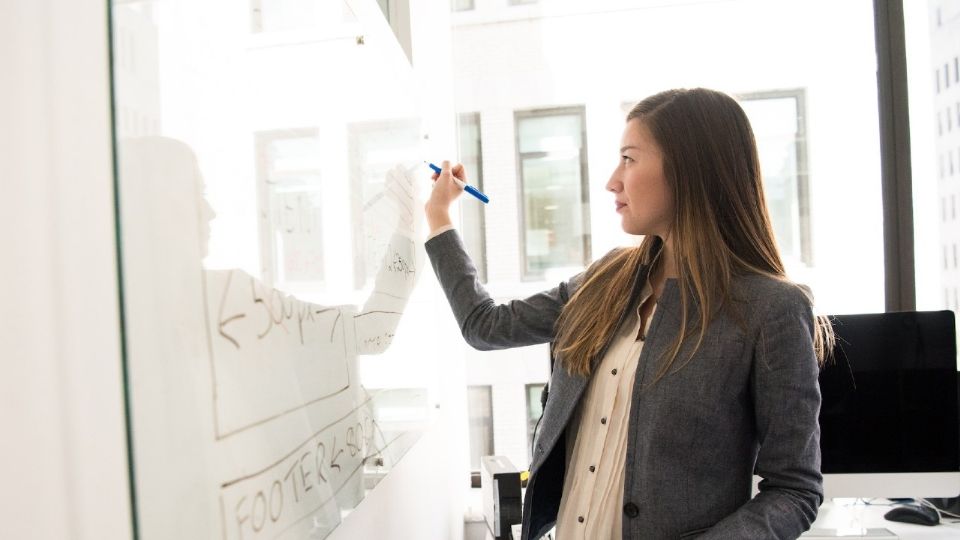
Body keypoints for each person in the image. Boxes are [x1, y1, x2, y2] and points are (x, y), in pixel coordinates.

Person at [423, 88, 833, 540]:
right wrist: (440, 217)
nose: (612, 180)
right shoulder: (605, 281)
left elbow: (794, 490)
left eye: (629, 159)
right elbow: (485, 326)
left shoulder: (770, 310)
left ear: (689, 170)